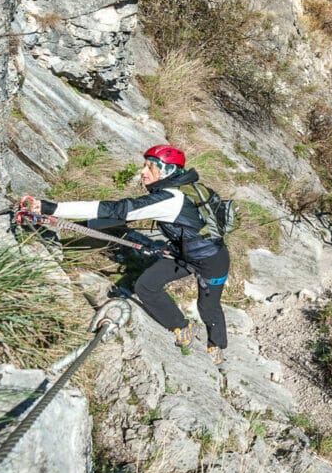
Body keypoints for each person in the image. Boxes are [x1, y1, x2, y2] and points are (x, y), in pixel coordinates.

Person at [28, 144, 231, 365]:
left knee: (208, 306)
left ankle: (217, 345)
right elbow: (121, 216)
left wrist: (51, 208)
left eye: (150, 167)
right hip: (182, 252)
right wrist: (68, 224)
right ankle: (181, 326)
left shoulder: (170, 199)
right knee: (146, 286)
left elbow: (116, 210)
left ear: (168, 171)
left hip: (211, 260)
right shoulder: (184, 189)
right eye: (145, 166)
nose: (142, 172)